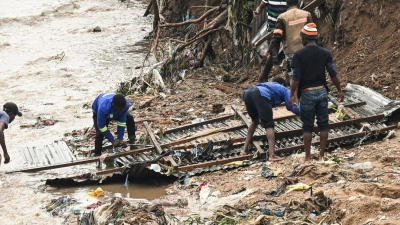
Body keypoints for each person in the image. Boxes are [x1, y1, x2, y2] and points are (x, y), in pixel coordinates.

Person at [289, 23, 344, 162]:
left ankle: (308, 157)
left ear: (304, 38)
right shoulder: (325, 53)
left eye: (302, 38)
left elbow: (296, 77)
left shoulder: (299, 54)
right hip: (322, 92)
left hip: (307, 93)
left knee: (307, 127)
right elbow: (333, 73)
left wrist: (291, 94)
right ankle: (321, 155)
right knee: (323, 125)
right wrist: (339, 90)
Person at [242, 77, 300, 161]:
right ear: (283, 84)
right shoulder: (283, 88)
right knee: (269, 125)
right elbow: (291, 106)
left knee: (255, 121)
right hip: (260, 95)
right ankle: (272, 155)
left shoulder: (268, 85)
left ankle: (244, 150)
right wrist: (303, 112)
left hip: (247, 94)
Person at [269, 0, 312, 84]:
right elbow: (312, 32)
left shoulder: (282, 17)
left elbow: (277, 37)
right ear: (297, 2)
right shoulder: (306, 14)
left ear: (287, 4)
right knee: (307, 71)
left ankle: (294, 95)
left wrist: (272, 54)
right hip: (306, 49)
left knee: (293, 74)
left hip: (291, 50)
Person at [253, 0, 288, 82]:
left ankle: (289, 77)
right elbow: (261, 6)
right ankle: (264, 76)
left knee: (288, 52)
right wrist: (258, 11)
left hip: (286, 29)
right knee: (273, 55)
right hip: (272, 30)